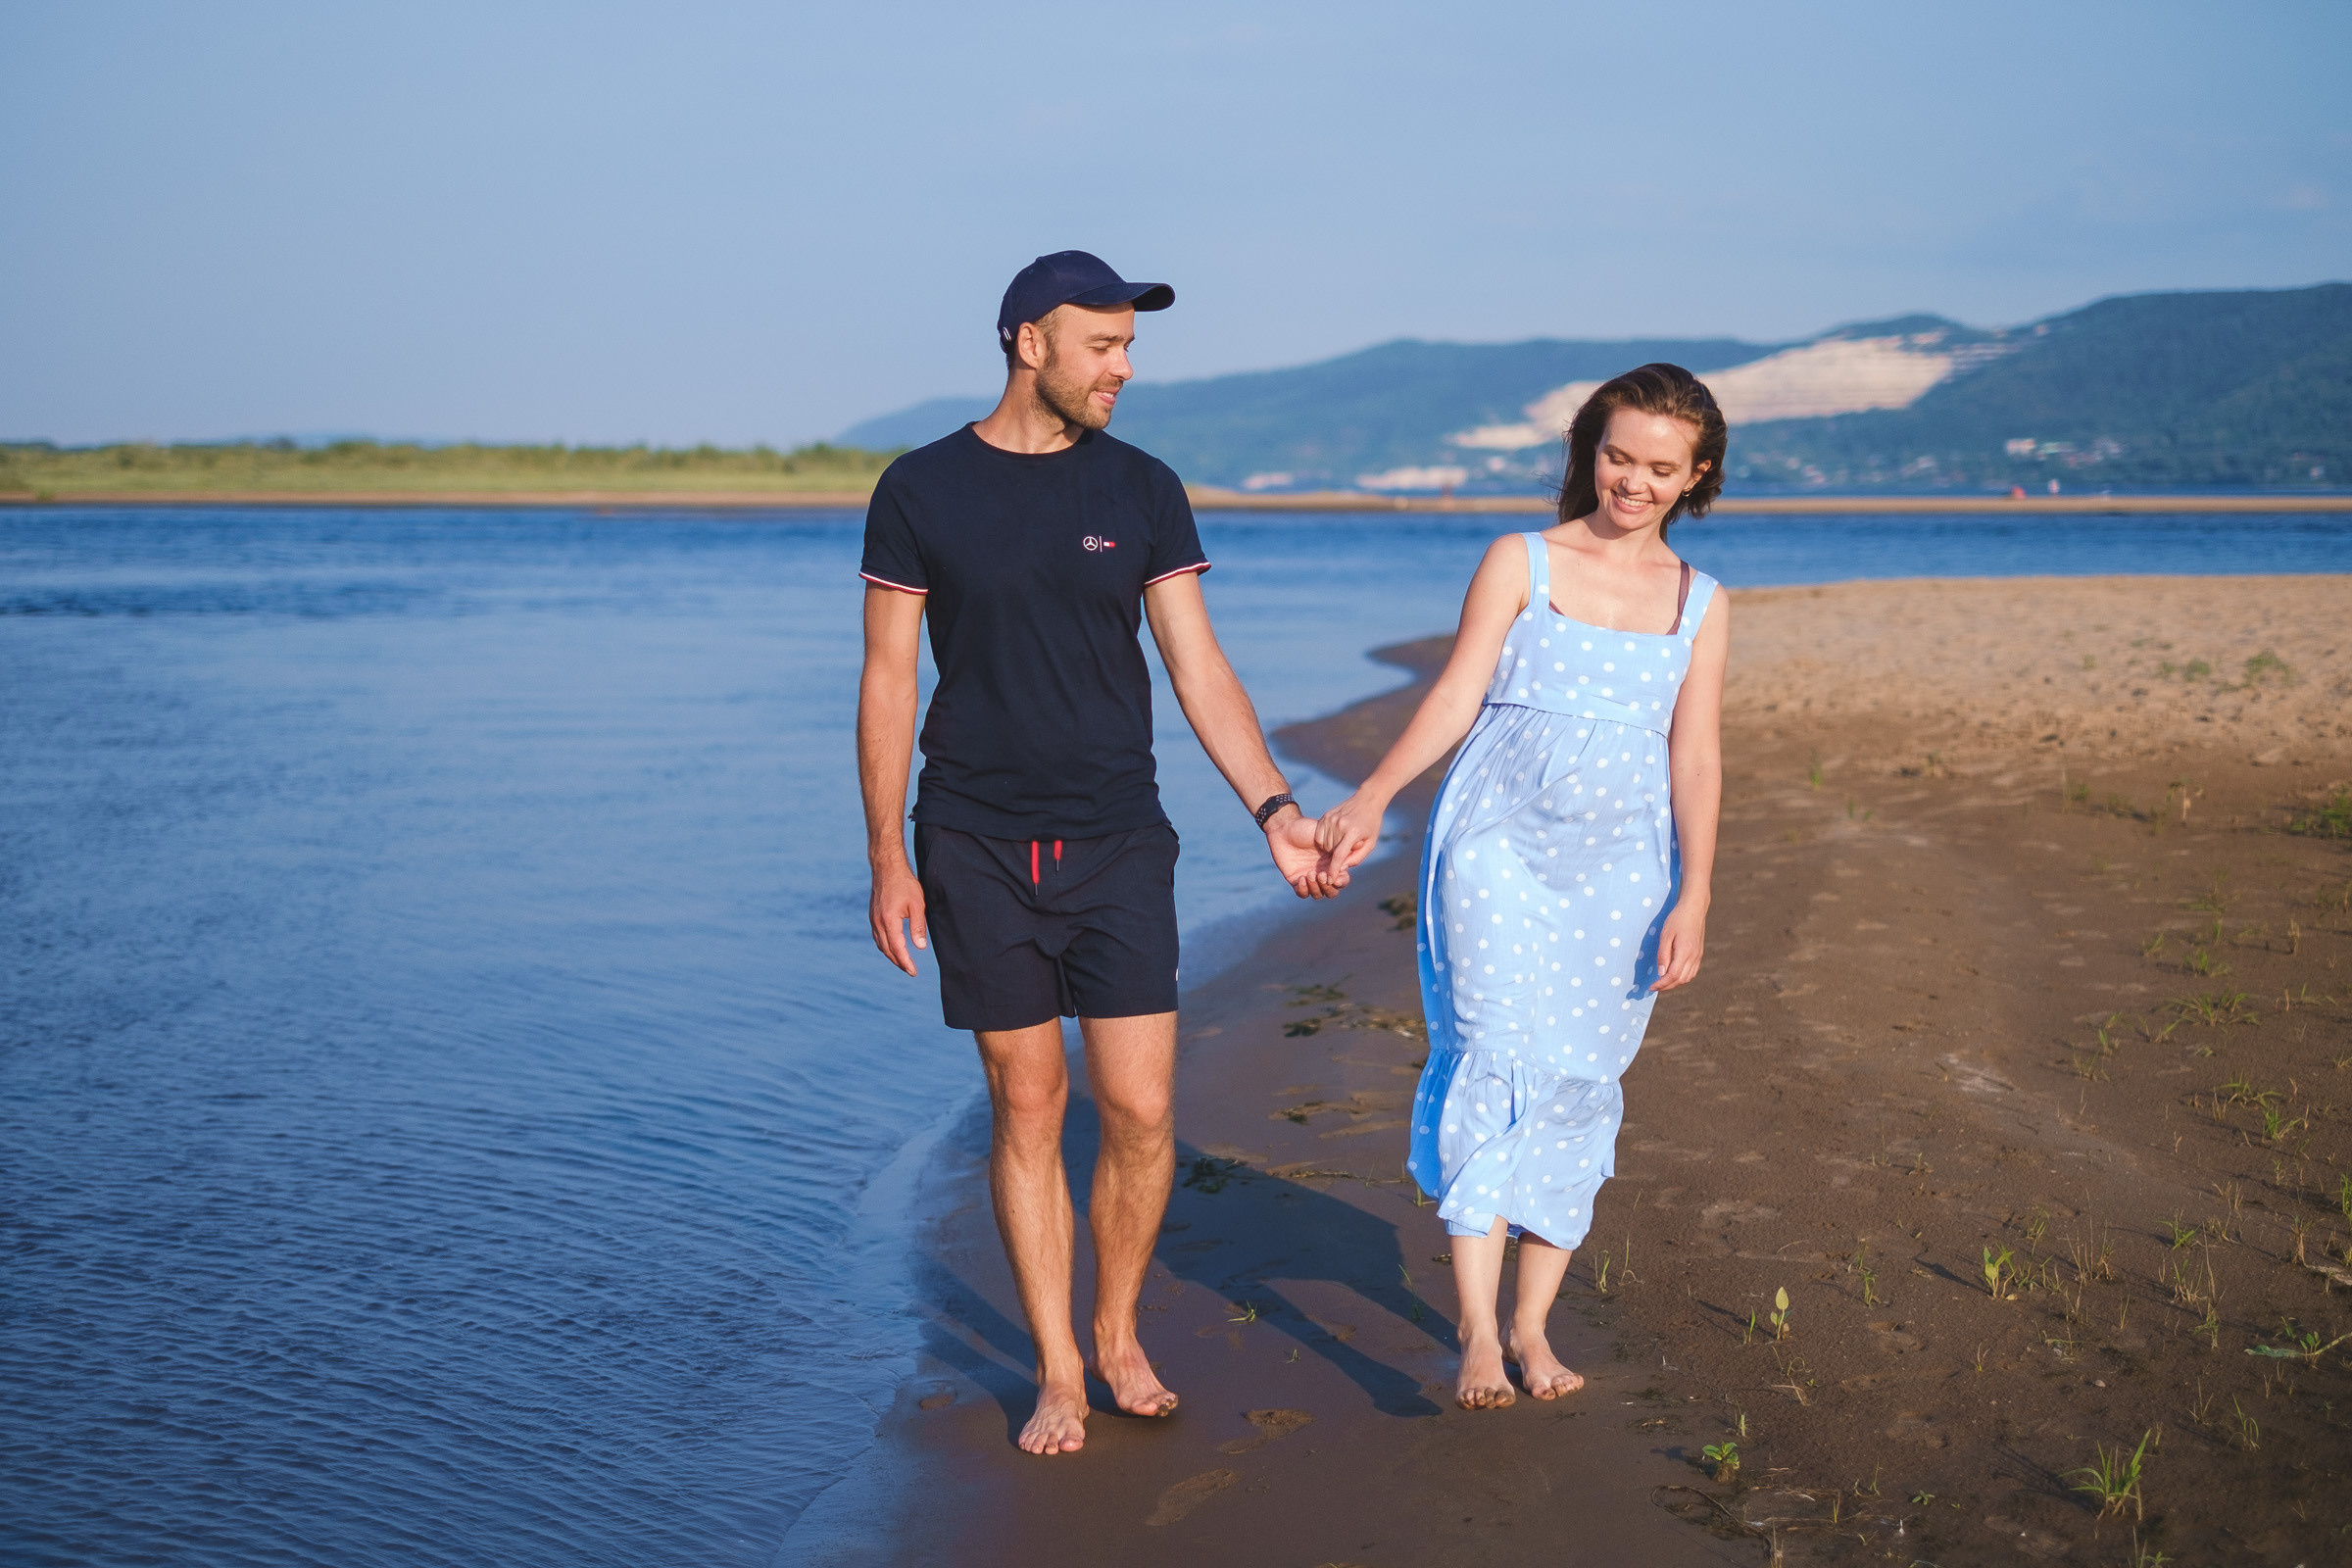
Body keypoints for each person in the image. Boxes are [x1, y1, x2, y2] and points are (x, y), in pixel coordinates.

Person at [858, 251, 1344, 1455]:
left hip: (1121, 835)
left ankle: (1119, 1326)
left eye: (1131, 347)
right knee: (1028, 1105)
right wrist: (885, 856)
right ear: (1030, 342)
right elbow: (885, 678)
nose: (1124, 369)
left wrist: (1275, 807)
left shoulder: (1142, 487)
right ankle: (1061, 1368)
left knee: (1137, 1105)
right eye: (1104, 346)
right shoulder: (919, 488)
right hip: (971, 837)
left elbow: (1198, 666)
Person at [1315, 364, 1730, 1409]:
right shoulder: (1522, 560)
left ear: (1697, 477)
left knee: (1581, 1077)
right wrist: (1370, 796)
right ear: (1591, 448)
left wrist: (1697, 892)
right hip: (1495, 844)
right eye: (1618, 455)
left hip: (1622, 870)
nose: (1632, 481)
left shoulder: (1701, 602)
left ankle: (1533, 1326)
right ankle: (1474, 1334)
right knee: (1493, 1054)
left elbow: (1698, 756)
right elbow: (1457, 691)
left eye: (1659, 467)